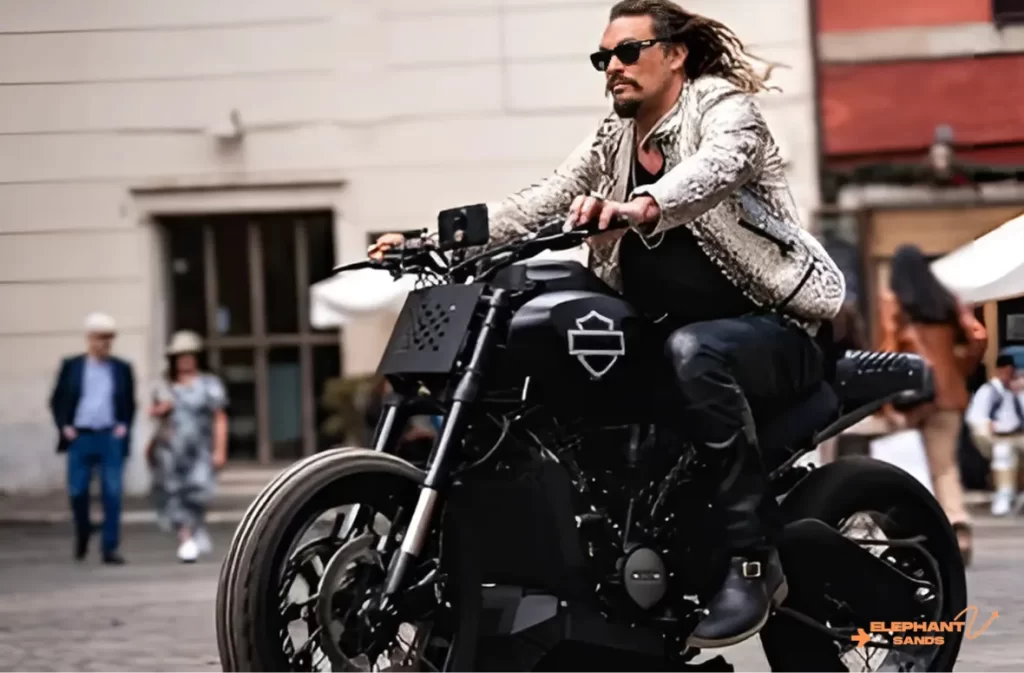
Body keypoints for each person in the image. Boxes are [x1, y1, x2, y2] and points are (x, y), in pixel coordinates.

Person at [370, 0, 846, 648]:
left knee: (692, 349)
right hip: (670, 337)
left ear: (674, 54)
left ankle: (754, 562)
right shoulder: (611, 140)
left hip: (775, 328)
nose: (612, 69)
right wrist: (428, 240)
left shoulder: (722, 109)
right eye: (603, 58)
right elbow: (539, 201)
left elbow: (715, 170)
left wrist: (641, 205)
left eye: (627, 52)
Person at [878, 244, 987, 564]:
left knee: (904, 464)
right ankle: (956, 523)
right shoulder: (944, 299)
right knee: (944, 467)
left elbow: (887, 347)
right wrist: (958, 369)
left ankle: (911, 532)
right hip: (949, 395)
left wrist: (885, 404)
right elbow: (977, 338)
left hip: (909, 396)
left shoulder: (894, 301)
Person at [48, 312, 136, 564]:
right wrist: (64, 426)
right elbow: (57, 399)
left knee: (113, 492)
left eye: (109, 338)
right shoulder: (72, 366)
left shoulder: (121, 368)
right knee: (77, 492)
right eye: (99, 337)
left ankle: (109, 547)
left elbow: (129, 403)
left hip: (110, 437)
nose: (104, 343)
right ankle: (83, 532)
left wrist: (124, 427)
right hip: (80, 436)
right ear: (89, 338)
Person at [148, 331, 228, 563]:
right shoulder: (165, 386)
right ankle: (186, 538)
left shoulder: (209, 385)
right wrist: (160, 410)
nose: (185, 360)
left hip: (200, 449)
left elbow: (219, 417)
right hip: (171, 450)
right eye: (181, 356)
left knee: (200, 492)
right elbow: (153, 414)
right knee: (174, 494)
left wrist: (220, 449)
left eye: (190, 355)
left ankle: (197, 527)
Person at [965, 353, 1024, 516]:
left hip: (1018, 435)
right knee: (1003, 453)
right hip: (999, 438)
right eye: (1008, 371)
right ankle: (1004, 495)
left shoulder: (1017, 391)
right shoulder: (989, 391)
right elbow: (975, 417)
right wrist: (987, 425)